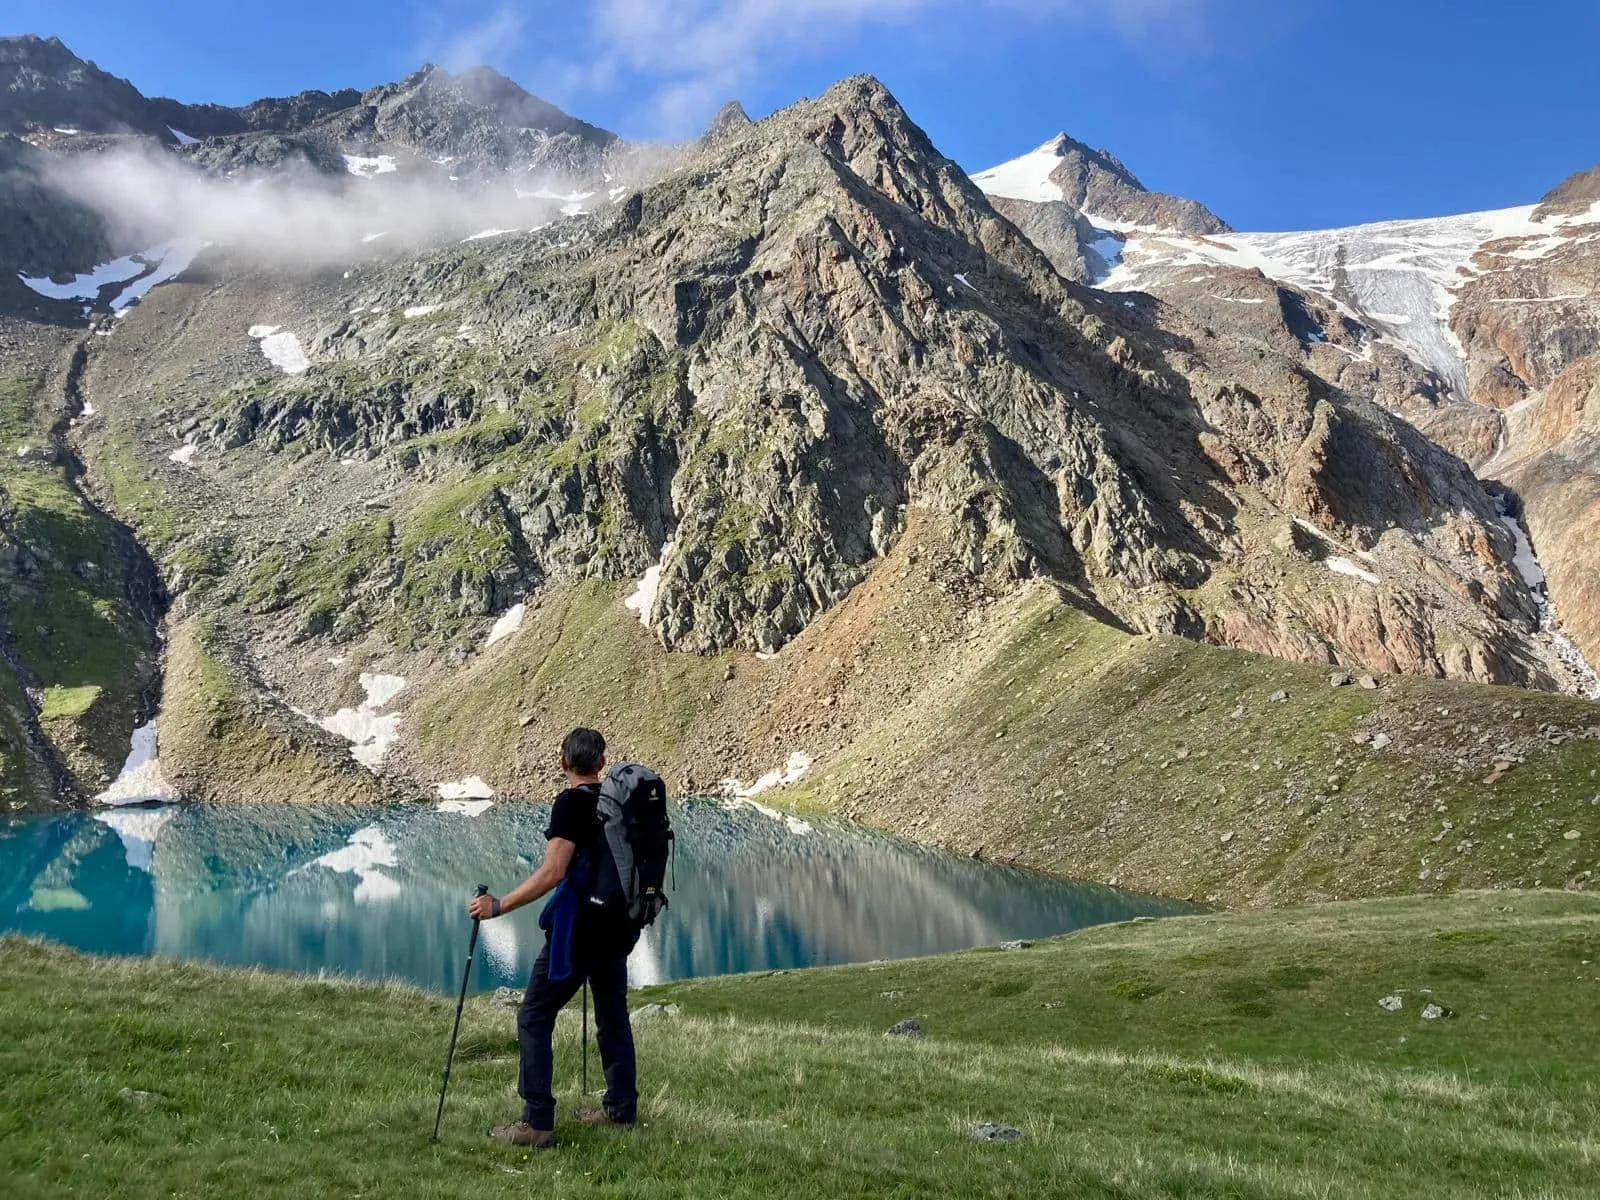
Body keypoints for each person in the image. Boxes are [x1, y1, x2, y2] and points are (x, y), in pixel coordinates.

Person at [469, 727, 640, 1149]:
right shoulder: (617, 802)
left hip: (579, 929)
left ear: (563, 762)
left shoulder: (570, 804)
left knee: (534, 1015)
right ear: (602, 762)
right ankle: (620, 1108)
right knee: (612, 1012)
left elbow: (553, 872)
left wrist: (498, 906)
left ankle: (538, 1121)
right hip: (619, 925)